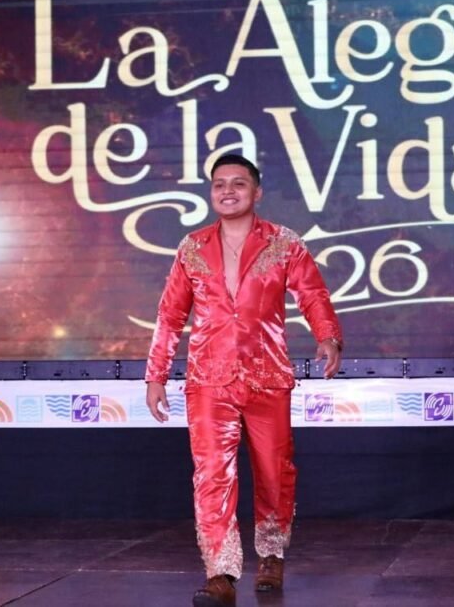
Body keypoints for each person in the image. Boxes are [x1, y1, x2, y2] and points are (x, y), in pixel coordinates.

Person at [144, 153, 343, 607]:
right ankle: (220, 572)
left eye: (238, 183)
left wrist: (328, 337)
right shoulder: (192, 247)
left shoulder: (284, 242)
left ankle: (271, 555)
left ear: (257, 192)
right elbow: (170, 315)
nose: (227, 191)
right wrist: (156, 374)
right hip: (209, 379)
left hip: (267, 375)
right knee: (212, 474)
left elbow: (312, 294)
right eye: (219, 184)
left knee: (274, 471)